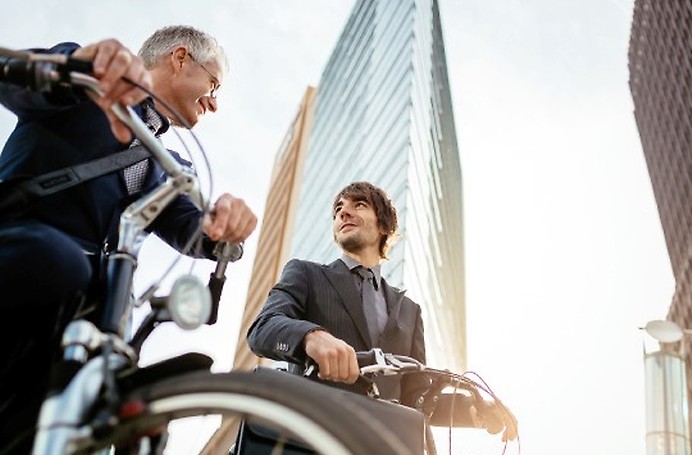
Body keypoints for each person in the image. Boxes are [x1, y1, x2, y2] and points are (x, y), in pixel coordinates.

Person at [0, 26, 257, 450]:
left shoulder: (169, 168)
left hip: (81, 319)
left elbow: (189, 228)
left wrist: (223, 228)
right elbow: (16, 80)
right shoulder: (87, 81)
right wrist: (80, 64)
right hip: (25, 259)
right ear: (179, 59)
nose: (214, 102)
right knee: (59, 261)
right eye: (213, 84)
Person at [247, 181, 516, 443]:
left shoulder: (410, 311)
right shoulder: (306, 273)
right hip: (315, 441)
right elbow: (262, 329)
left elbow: (416, 398)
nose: (343, 212)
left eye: (359, 204)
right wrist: (311, 336)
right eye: (338, 209)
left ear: (384, 226)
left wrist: (475, 410)